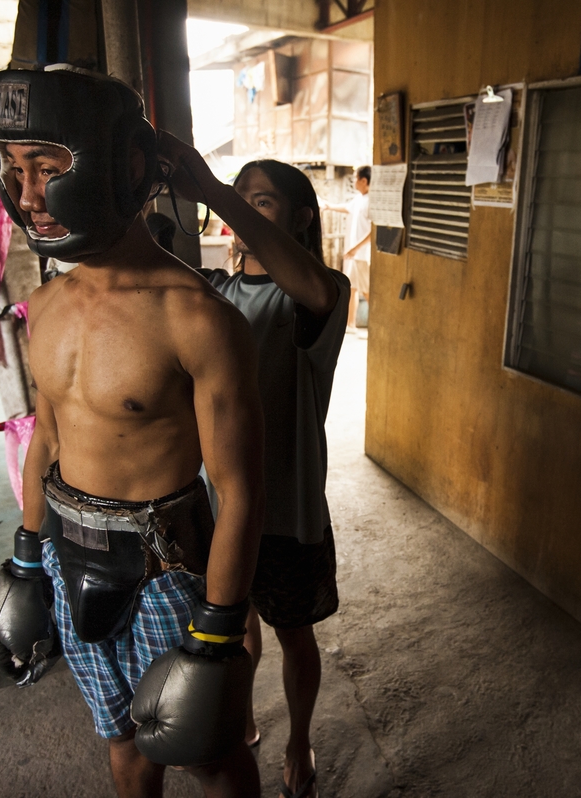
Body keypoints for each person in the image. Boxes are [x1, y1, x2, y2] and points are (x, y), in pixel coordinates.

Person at [0, 65, 266, 798]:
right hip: (66, 555)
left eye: (49, 167)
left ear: (122, 167)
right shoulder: (45, 303)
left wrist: (218, 632)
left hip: (163, 570)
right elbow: (46, 439)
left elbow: (239, 493)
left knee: (210, 751)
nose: (30, 195)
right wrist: (24, 556)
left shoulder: (195, 317)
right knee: (124, 747)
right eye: (17, 170)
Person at [161, 139, 350, 798]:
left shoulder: (318, 296)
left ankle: (299, 739)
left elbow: (309, 285)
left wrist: (214, 192)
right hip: (218, 506)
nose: (242, 210)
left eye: (259, 200)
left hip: (286, 505)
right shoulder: (212, 292)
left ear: (300, 219)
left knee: (292, 634)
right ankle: (241, 719)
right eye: (241, 198)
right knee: (233, 630)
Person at [321, 165, 371, 334]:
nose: (354, 182)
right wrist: (328, 206)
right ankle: (351, 324)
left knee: (367, 290)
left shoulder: (372, 201)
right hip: (354, 254)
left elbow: (374, 232)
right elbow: (346, 208)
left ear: (364, 181)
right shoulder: (359, 199)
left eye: (356, 178)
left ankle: (376, 324)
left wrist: (355, 249)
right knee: (353, 288)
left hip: (362, 254)